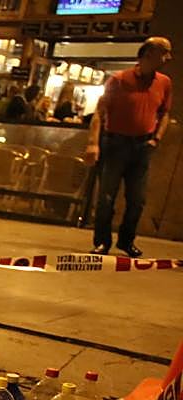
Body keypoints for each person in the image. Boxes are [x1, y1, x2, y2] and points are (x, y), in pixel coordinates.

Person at [86, 37, 173, 257]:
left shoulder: (164, 82)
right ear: (149, 54)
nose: (168, 58)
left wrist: (156, 139)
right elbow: (99, 112)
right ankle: (102, 241)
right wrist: (93, 143)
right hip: (115, 143)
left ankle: (126, 241)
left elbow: (164, 113)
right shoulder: (119, 79)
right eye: (164, 52)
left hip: (142, 145)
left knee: (137, 200)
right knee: (106, 197)